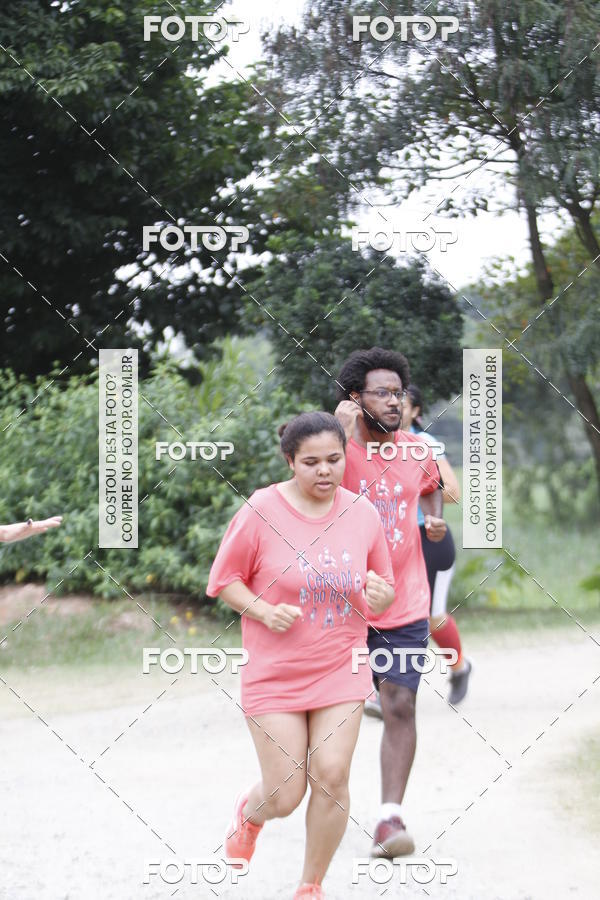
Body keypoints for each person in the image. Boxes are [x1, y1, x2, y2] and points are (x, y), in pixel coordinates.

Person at [206, 411, 395, 900]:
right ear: (290, 461)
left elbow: (383, 588)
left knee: (332, 775)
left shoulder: (362, 514)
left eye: (334, 459)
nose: (324, 471)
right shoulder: (261, 510)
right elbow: (224, 580)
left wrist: (378, 598)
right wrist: (265, 612)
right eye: (311, 462)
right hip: (276, 673)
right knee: (286, 793)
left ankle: (309, 887)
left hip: (341, 664)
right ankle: (249, 814)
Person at [334, 348, 447, 859]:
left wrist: (433, 515)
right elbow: (304, 491)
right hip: (340, 608)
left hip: (403, 603)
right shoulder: (332, 449)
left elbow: (431, 486)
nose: (395, 400)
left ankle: (388, 817)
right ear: (355, 399)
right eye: (382, 391)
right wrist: (338, 436)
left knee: (401, 703)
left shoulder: (417, 450)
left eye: (399, 392)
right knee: (333, 715)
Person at [405, 384, 472, 704]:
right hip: (391, 540)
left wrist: (404, 488)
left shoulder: (425, 444)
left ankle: (459, 668)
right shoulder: (371, 445)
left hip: (429, 538)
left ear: (416, 411)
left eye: (400, 401)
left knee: (433, 616)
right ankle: (384, 688)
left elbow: (452, 492)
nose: (392, 406)